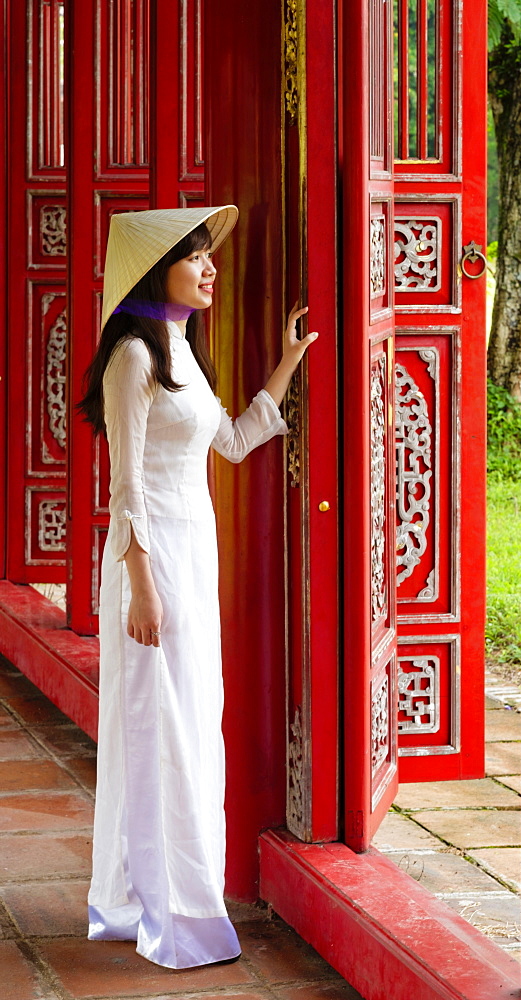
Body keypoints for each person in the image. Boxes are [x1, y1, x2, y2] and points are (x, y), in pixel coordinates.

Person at [77, 206, 317, 969]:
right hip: (150, 568)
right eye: (196, 256)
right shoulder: (133, 359)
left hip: (193, 557)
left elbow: (236, 442)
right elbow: (125, 491)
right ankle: (171, 914)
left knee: (192, 721)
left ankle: (176, 896)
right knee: (161, 731)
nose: (212, 267)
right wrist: (140, 587)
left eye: (209, 255)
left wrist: (288, 361)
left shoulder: (182, 347)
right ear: (158, 270)